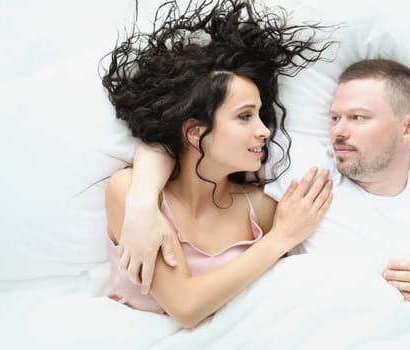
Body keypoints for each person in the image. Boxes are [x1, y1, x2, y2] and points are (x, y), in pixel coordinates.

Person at [119, 58, 410, 303]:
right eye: (335, 118)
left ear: (409, 127)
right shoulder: (303, 166)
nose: (339, 130)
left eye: (358, 118)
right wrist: (141, 201)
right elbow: (182, 144)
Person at [100, 0, 333, 328]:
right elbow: (185, 306)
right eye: (244, 116)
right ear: (195, 132)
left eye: (260, 115)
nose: (264, 130)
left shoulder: (261, 208)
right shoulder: (132, 192)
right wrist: (279, 239)